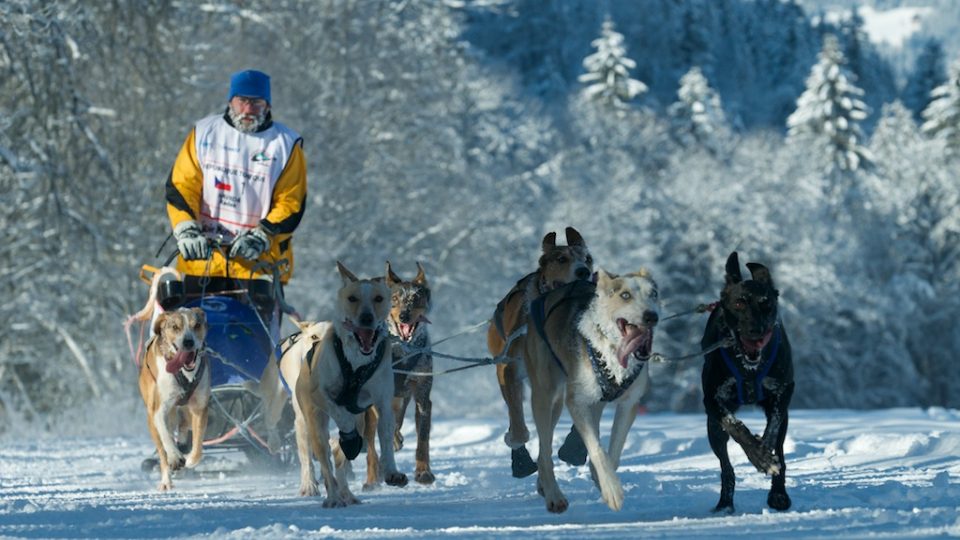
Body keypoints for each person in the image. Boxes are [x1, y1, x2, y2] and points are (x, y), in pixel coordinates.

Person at [165, 69, 307, 336]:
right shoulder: (204, 133)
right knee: (188, 343)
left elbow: (292, 202)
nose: (248, 108)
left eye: (256, 102)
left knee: (256, 351)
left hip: (257, 266)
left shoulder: (285, 145)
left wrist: (263, 235)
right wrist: (186, 229)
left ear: (267, 105)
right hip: (201, 259)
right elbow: (182, 185)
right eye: (242, 100)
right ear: (231, 101)